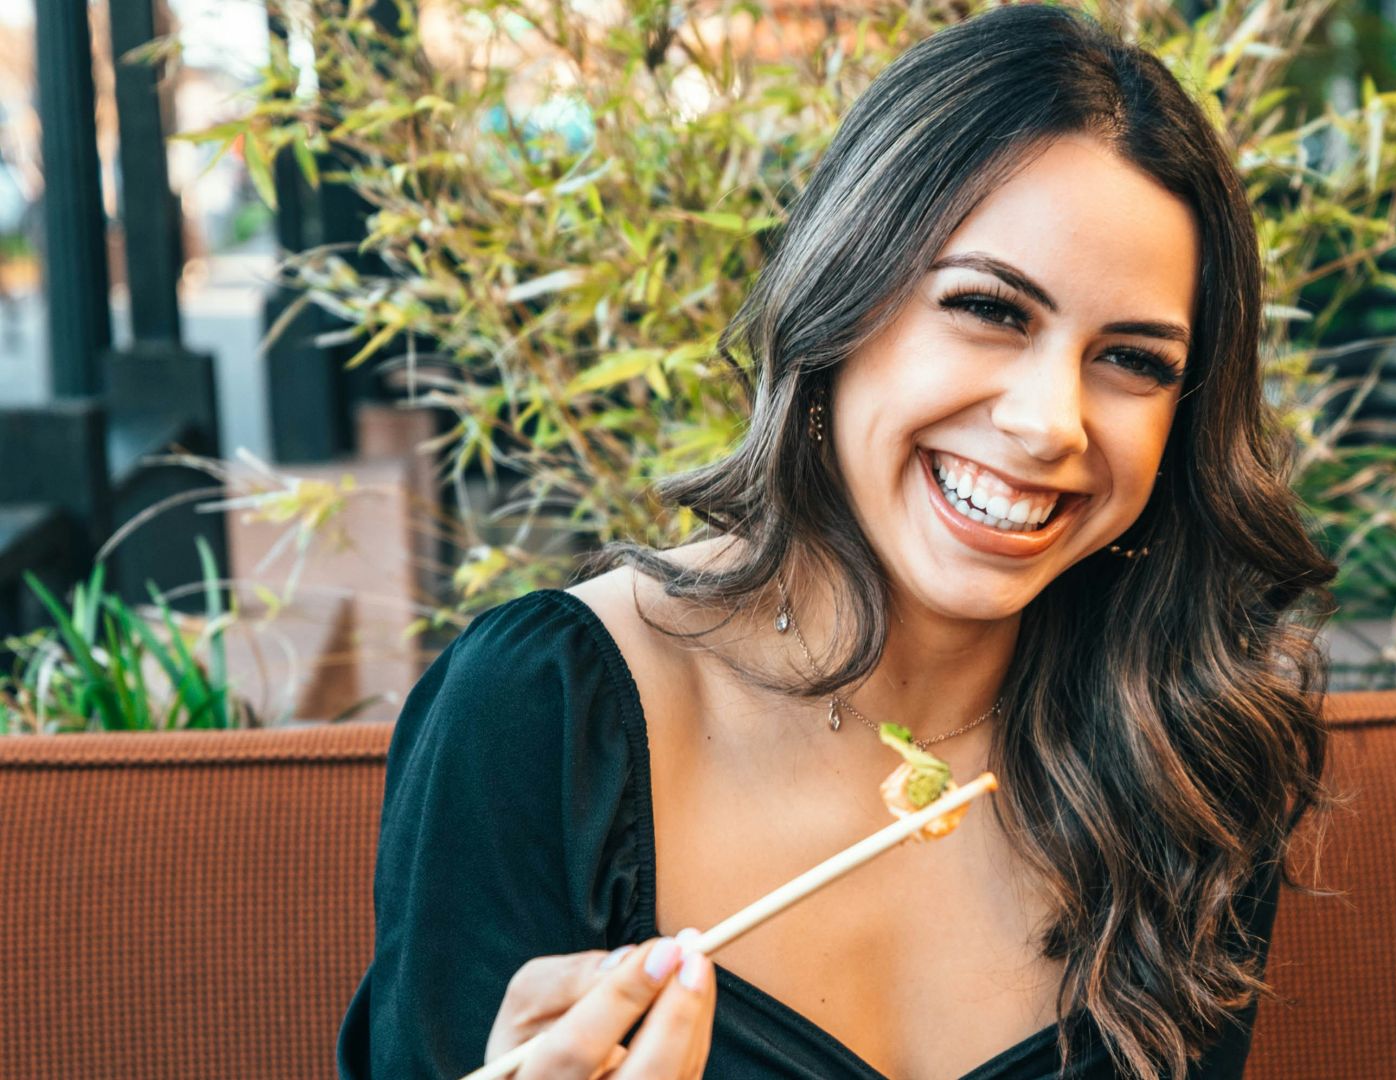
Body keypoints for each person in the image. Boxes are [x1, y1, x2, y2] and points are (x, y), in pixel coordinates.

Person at [337, 4, 1336, 1077]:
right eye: (991, 308)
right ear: (839, 307)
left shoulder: (1186, 759)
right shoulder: (541, 712)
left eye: (1133, 360)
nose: (1051, 422)